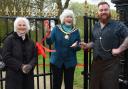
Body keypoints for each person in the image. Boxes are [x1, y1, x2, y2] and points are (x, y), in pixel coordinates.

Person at [80, 1, 128, 89]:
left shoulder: (118, 25)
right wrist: (87, 45)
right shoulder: (96, 26)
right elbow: (94, 42)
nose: (103, 12)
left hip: (111, 64)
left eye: (105, 9)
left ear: (109, 11)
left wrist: (120, 49)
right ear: (98, 12)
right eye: (101, 10)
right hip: (96, 64)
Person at [46, 9, 81, 89]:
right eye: (67, 17)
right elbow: (49, 42)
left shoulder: (76, 31)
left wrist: (76, 46)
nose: (69, 19)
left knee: (69, 85)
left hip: (70, 62)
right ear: (63, 18)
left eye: (71, 17)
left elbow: (79, 45)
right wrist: (48, 35)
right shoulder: (56, 28)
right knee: (56, 85)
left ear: (73, 19)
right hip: (57, 61)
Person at [2, 17, 37, 89]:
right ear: (15, 26)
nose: (22, 27)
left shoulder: (31, 42)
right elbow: (6, 57)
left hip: (28, 77)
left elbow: (35, 57)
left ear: (27, 27)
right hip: (14, 77)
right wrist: (21, 66)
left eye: (24, 25)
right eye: (19, 25)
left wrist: (30, 65)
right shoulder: (9, 40)